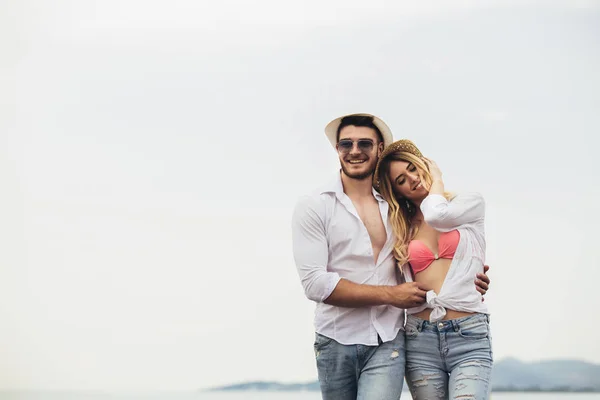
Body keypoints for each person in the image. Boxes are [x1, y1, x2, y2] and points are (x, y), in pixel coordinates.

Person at [291, 113, 490, 400]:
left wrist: (470, 274)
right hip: (336, 337)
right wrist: (391, 295)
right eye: (346, 144)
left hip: (390, 338)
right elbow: (314, 284)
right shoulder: (317, 206)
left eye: (364, 143)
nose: (355, 150)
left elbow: (442, 251)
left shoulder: (396, 212)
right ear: (337, 150)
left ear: (379, 148)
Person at [374, 139, 493, 400]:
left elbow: (438, 216)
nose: (412, 179)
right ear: (398, 193)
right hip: (420, 338)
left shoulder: (469, 204)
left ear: (425, 165)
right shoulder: (400, 227)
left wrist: (437, 182)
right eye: (401, 180)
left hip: (469, 333)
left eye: (412, 169)